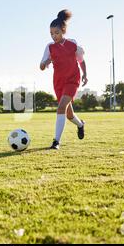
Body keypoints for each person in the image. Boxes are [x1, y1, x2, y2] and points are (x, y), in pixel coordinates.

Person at [39, 9, 88, 150]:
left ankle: (56, 142)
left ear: (63, 31)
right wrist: (46, 61)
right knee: (68, 114)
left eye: (57, 33)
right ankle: (81, 124)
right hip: (58, 82)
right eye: (51, 34)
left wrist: (85, 74)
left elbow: (81, 61)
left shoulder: (72, 44)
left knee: (60, 108)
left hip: (72, 80)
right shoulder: (50, 47)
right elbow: (41, 66)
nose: (54, 36)